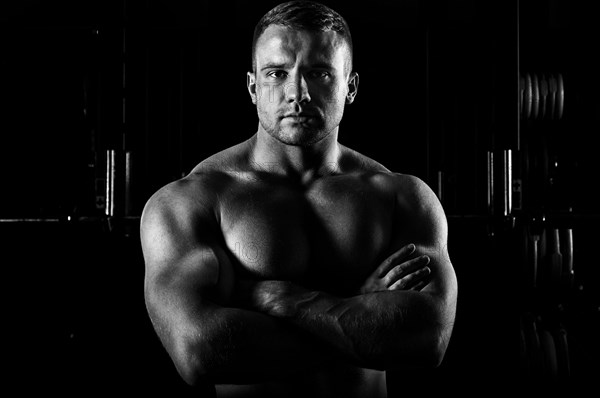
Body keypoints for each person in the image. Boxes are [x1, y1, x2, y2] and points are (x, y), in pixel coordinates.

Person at [140, 1, 458, 397]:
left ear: (351, 87)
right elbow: (199, 351)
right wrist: (356, 311)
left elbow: (427, 341)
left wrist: (284, 301)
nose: (297, 93)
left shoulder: (403, 197)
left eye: (319, 73)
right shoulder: (194, 201)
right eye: (277, 73)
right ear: (253, 86)